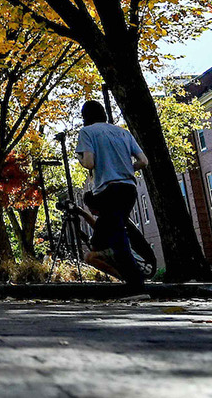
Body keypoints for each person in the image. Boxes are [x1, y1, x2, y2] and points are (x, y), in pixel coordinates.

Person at [75, 100, 150, 297]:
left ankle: (137, 284)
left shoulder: (87, 132)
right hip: (128, 188)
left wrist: (80, 158)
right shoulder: (123, 132)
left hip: (108, 189)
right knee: (103, 239)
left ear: (85, 117)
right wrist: (126, 169)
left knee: (118, 236)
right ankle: (130, 273)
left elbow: (89, 163)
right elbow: (143, 161)